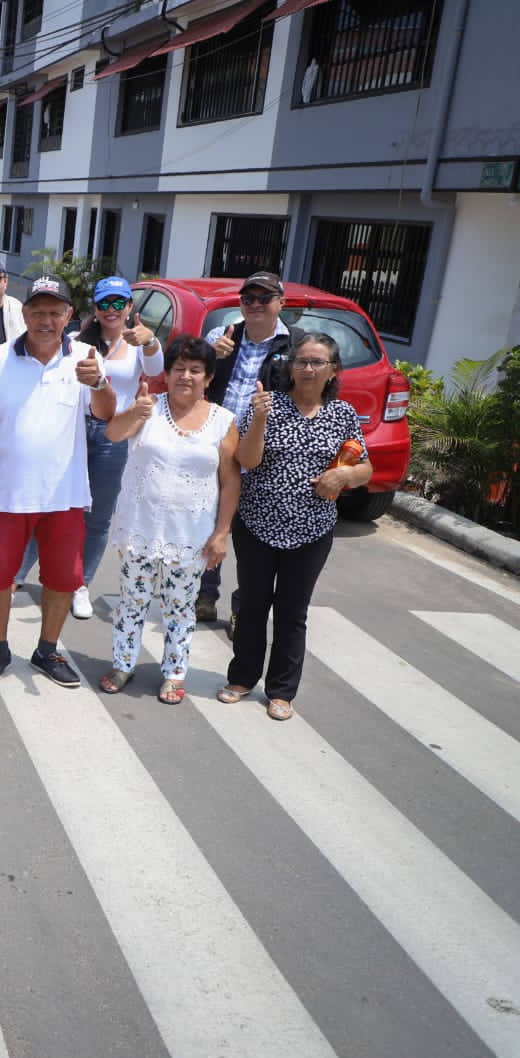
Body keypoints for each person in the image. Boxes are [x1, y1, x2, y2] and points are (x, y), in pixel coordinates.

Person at [0, 275, 116, 689]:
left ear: (68, 316)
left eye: (55, 313)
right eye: (38, 312)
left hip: (64, 495)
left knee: (61, 578)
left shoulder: (86, 357)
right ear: (25, 314)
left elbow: (106, 414)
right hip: (7, 492)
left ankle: (47, 650)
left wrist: (99, 382)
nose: (46, 321)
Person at [221, 334, 370, 721]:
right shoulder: (266, 404)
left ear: (333, 370)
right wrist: (260, 419)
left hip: (312, 531)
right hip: (257, 524)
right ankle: (241, 678)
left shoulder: (343, 414)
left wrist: (345, 476)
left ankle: (282, 691)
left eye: (317, 362)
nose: (307, 369)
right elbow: (246, 461)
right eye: (301, 361)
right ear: (290, 367)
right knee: (252, 605)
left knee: (292, 612)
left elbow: (365, 468)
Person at [98, 337, 238, 703]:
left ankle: (174, 673)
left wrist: (222, 532)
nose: (186, 376)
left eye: (195, 370)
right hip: (140, 527)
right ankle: (123, 664)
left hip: (191, 535)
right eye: (179, 369)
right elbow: (113, 433)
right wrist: (136, 413)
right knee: (132, 602)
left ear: (208, 378)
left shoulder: (222, 421)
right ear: (168, 373)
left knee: (180, 608)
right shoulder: (148, 407)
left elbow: (230, 481)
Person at [16, 275, 163, 618]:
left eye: (118, 303)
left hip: (114, 433)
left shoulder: (137, 343)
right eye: (104, 304)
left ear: (129, 306)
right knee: (50, 504)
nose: (111, 310)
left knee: (97, 517)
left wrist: (151, 340)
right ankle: (18, 573)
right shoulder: (76, 342)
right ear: (94, 309)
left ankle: (80, 584)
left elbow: (157, 368)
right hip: (74, 428)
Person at [196, 270, 305, 622]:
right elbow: (191, 378)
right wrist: (210, 356)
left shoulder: (297, 346)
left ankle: (242, 609)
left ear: (281, 303)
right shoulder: (222, 335)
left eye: (264, 298)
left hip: (267, 455)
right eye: (248, 298)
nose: (255, 304)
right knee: (212, 524)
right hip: (220, 448)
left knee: (253, 539)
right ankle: (204, 595)